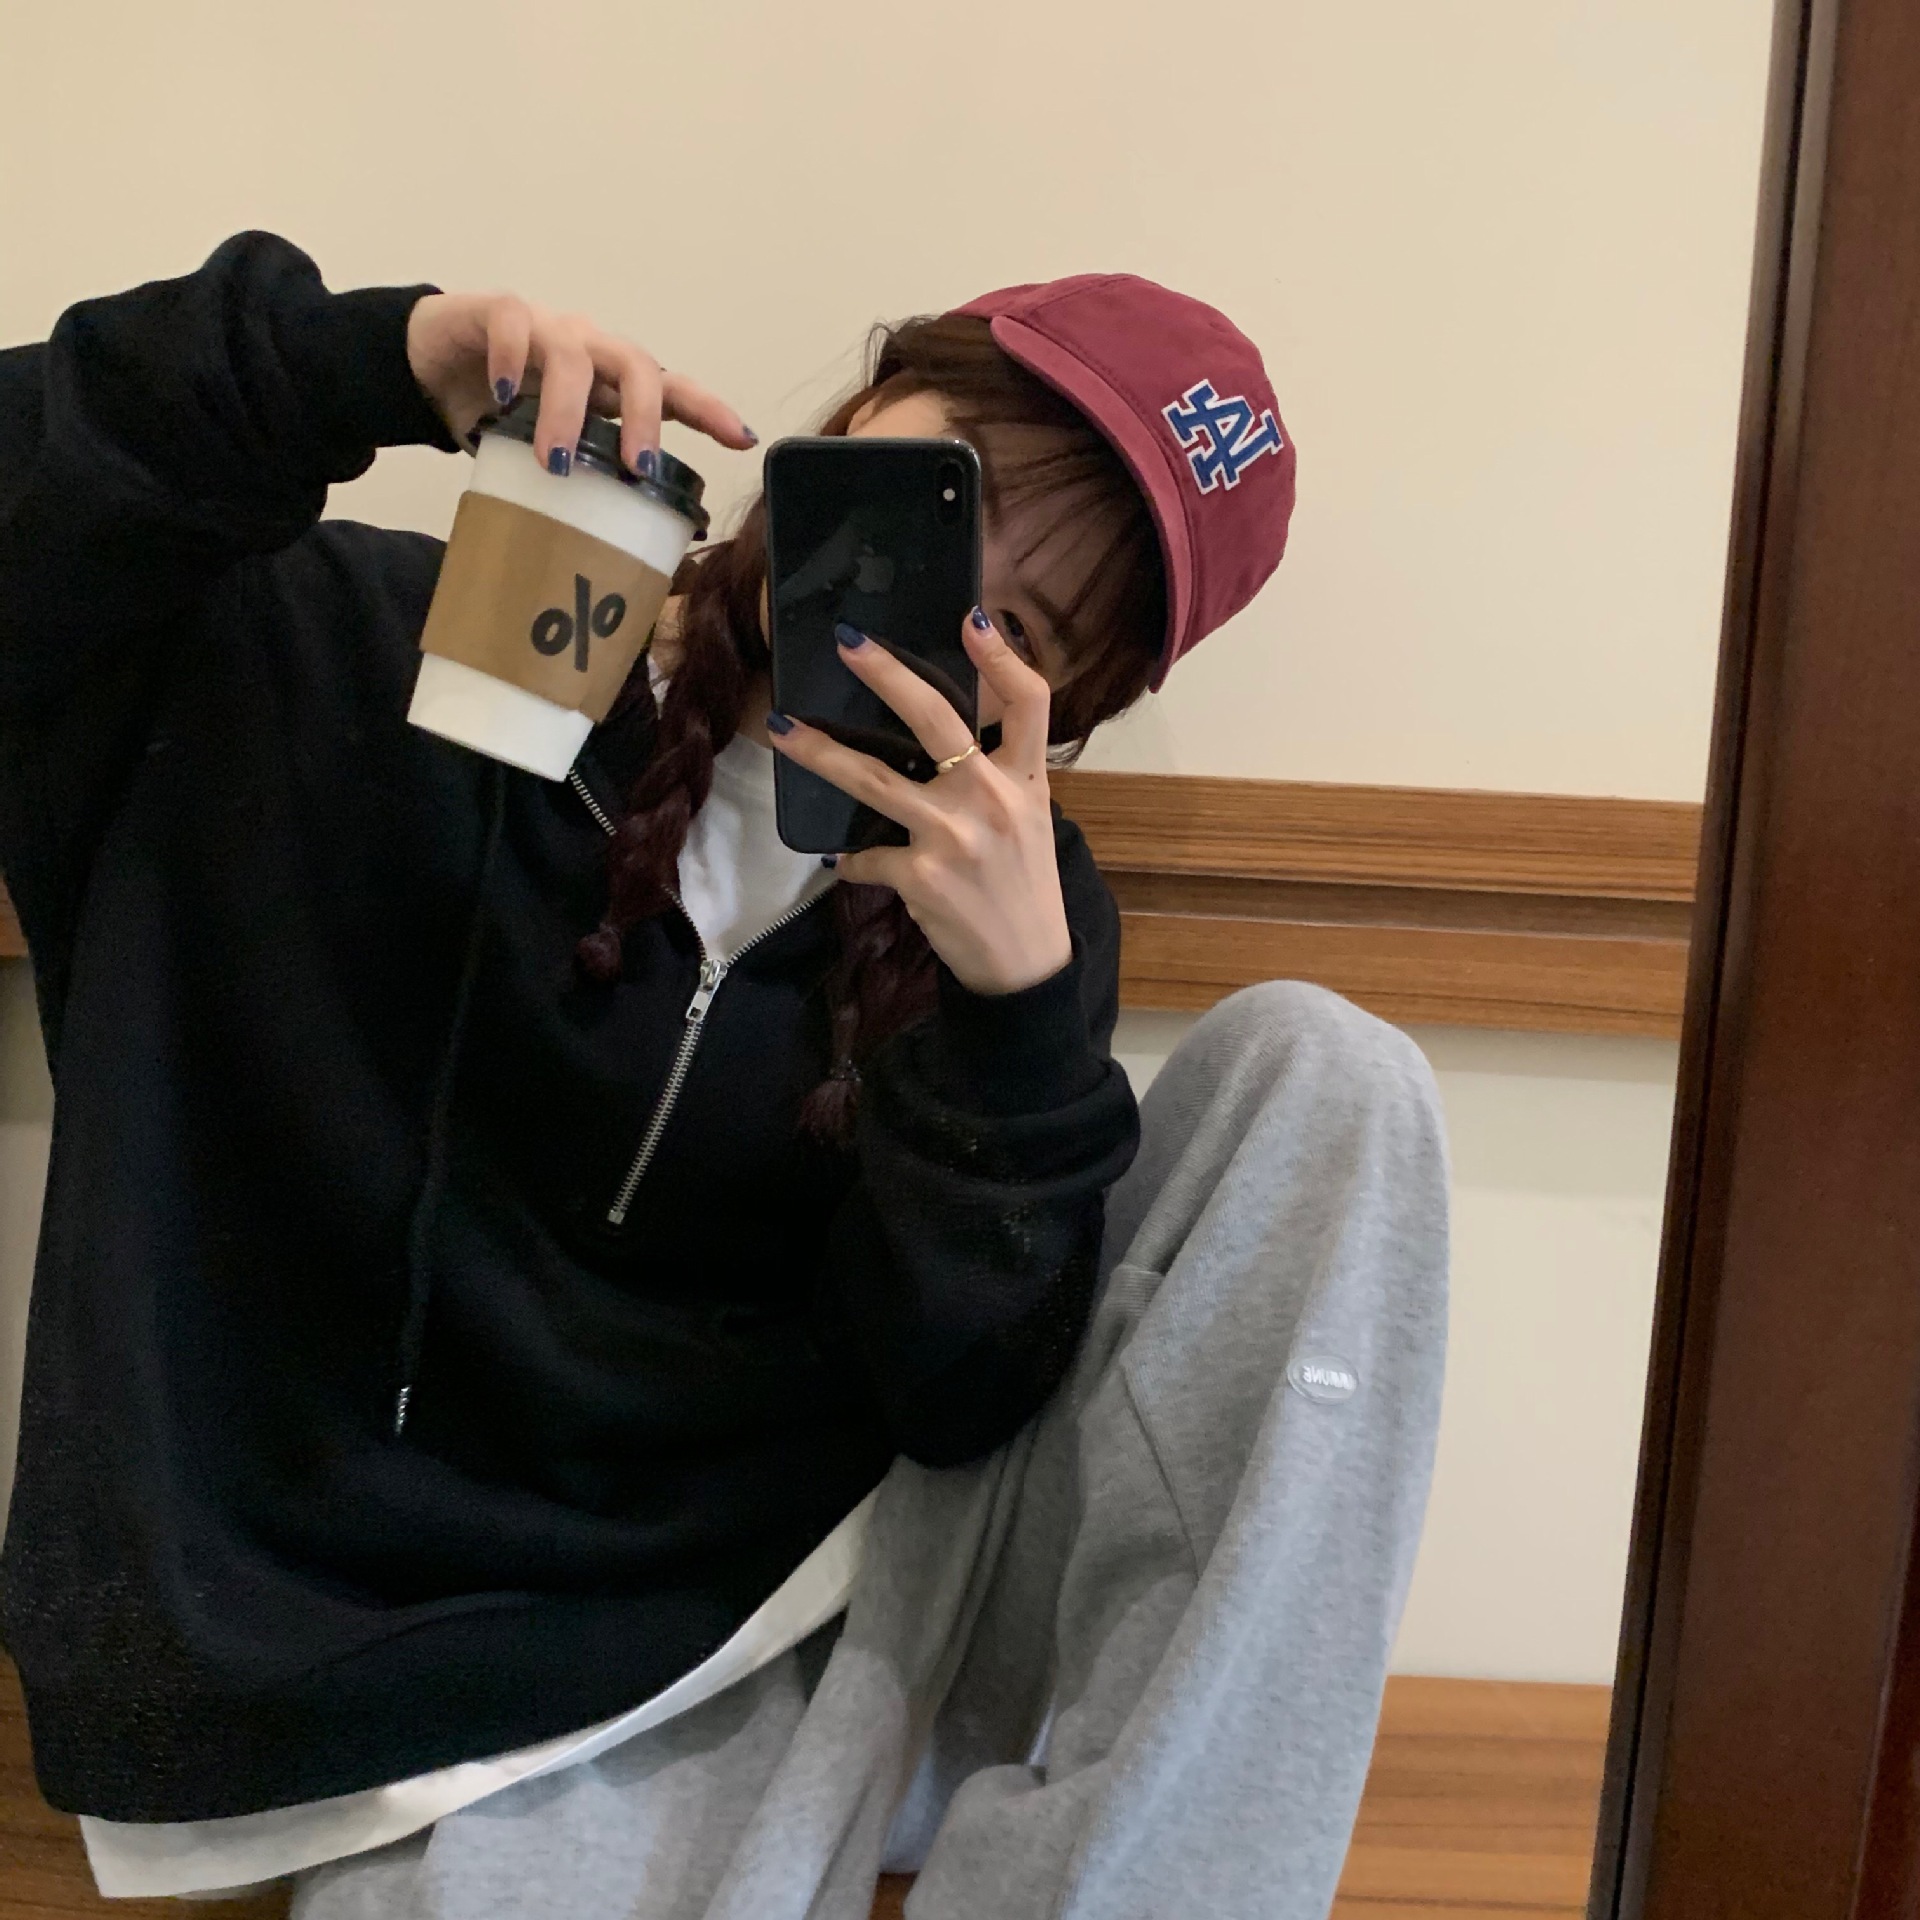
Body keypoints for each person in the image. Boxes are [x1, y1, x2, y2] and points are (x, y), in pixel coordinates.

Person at [0, 237, 1443, 1918]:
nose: (925, 607)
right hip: (446, 1673)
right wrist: (365, 364)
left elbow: (954, 1402)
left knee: (1334, 1077)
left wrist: (1015, 1026)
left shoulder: (1013, 922)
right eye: (947, 497)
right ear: (866, 408)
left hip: (846, 1606)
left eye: (1018, 622)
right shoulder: (346, 654)